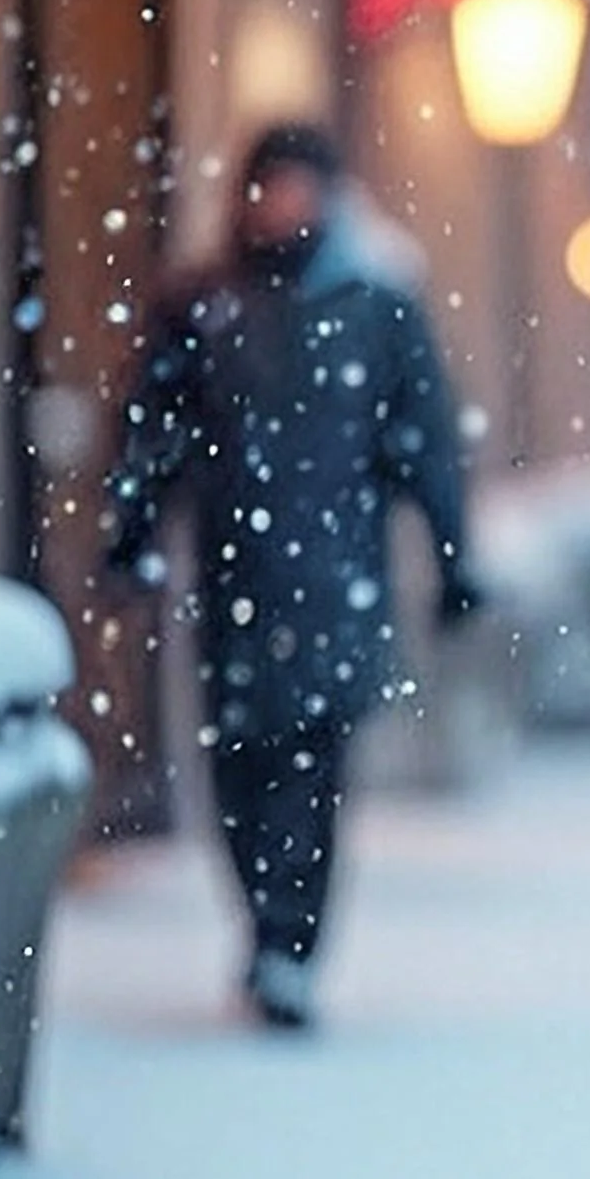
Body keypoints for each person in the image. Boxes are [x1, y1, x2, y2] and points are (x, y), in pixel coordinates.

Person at [107, 122, 479, 1032]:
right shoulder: (200, 305)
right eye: (270, 190)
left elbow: (425, 442)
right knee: (237, 767)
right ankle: (263, 927)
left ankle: (291, 948)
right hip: (235, 577)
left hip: (338, 580)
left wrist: (452, 556)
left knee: (312, 772)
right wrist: (133, 529)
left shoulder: (375, 309)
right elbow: (149, 432)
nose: (284, 209)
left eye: (302, 191)